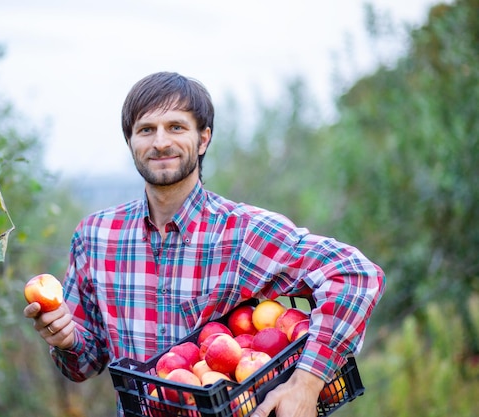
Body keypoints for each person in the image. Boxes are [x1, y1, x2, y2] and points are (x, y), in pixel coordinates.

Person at [23, 71, 385, 417]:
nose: (160, 142)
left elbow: (356, 275)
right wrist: (66, 338)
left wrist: (307, 383)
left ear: (204, 138)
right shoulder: (96, 237)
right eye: (146, 129)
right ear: (130, 141)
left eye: (176, 127)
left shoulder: (242, 232)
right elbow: (85, 363)